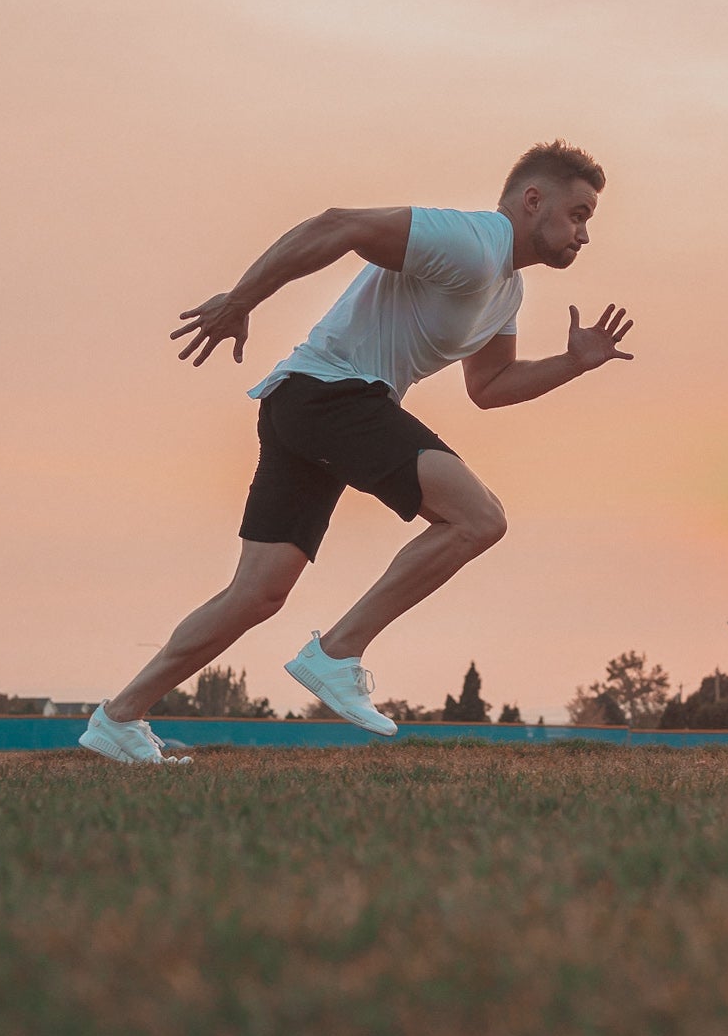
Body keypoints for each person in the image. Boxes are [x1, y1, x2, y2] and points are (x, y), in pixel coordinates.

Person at [79, 140, 635, 765]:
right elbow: (337, 225)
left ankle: (118, 718)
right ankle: (338, 651)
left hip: (309, 404)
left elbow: (489, 387)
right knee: (479, 518)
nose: (585, 234)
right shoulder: (473, 242)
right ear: (534, 201)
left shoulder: (505, 290)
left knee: (257, 593)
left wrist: (571, 364)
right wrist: (240, 300)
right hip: (330, 395)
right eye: (579, 214)